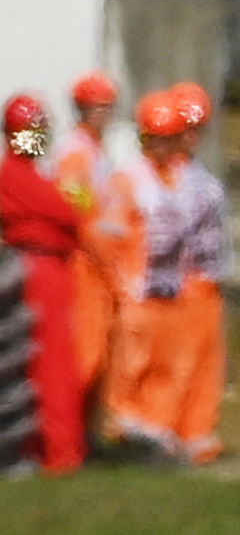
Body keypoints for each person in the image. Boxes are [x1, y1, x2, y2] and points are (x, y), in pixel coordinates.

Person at [118, 84, 228, 464]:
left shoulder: (195, 177)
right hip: (154, 285)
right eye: (186, 130)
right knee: (149, 364)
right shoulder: (141, 176)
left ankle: (191, 433)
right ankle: (145, 431)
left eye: (196, 130)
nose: (190, 138)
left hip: (194, 280)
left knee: (194, 365)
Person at [0, 96, 87, 471]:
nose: (38, 138)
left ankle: (54, 448)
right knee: (50, 365)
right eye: (30, 132)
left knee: (53, 363)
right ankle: (58, 452)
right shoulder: (14, 174)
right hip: (38, 269)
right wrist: (76, 205)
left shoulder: (36, 174)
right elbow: (68, 213)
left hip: (50, 268)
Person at [48, 71, 132, 422]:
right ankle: (67, 430)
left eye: (108, 106)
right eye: (97, 107)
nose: (104, 114)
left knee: (100, 355)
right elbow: (78, 217)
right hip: (84, 266)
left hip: (101, 266)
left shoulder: (97, 150)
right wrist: (107, 261)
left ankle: (84, 431)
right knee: (85, 353)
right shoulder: (75, 155)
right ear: (81, 109)